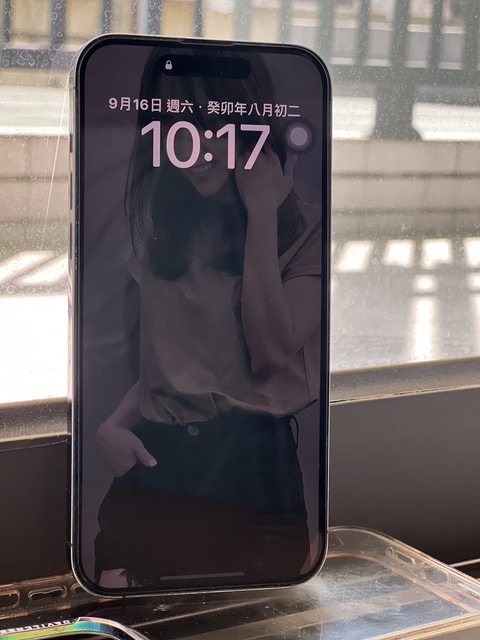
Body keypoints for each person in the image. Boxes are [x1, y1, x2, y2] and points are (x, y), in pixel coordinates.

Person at [93, 49, 322, 590]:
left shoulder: (305, 231)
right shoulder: (164, 236)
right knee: (128, 614)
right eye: (175, 126)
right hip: (160, 462)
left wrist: (261, 214)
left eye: (210, 125)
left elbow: (270, 352)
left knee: (260, 620)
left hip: (255, 471)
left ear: (251, 125)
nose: (191, 148)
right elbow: (174, 365)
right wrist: (113, 425)